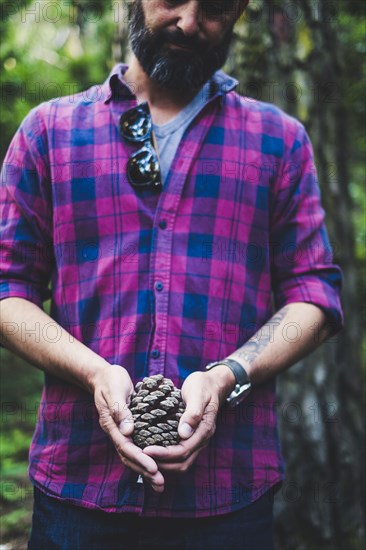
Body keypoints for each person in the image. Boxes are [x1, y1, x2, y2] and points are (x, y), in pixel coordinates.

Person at [0, 1, 343, 549]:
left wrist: (228, 375)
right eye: (172, 0)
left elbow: (314, 295)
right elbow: (7, 291)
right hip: (77, 489)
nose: (188, 22)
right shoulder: (49, 133)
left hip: (229, 495)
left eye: (214, 7)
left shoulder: (278, 141)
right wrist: (93, 372)